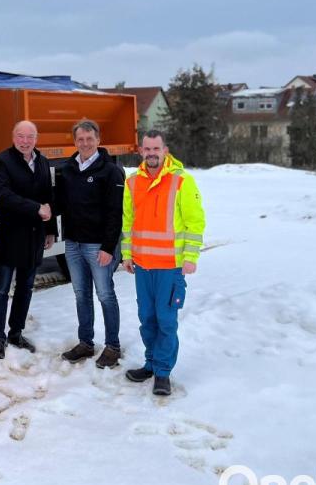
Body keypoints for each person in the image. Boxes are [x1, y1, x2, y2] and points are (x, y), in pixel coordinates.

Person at [122, 130, 205, 396]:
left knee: (166, 320)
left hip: (170, 267)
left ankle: (163, 373)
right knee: (147, 319)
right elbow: (128, 222)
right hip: (143, 267)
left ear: (165, 151)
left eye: (156, 149)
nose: (151, 154)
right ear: (141, 151)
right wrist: (127, 254)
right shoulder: (132, 182)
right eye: (147, 149)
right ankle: (150, 363)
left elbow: (195, 222)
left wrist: (190, 257)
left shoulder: (182, 181)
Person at [56, 119, 126, 368]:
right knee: (81, 295)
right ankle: (85, 343)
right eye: (80, 139)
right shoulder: (68, 169)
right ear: (75, 141)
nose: (85, 143)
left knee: (105, 295)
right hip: (73, 244)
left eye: (89, 139)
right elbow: (60, 204)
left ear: (98, 140)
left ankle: (113, 346)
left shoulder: (111, 171)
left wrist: (108, 247)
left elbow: (116, 213)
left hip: (98, 246)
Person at [0, 120, 57, 359]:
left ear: (36, 139)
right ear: (13, 137)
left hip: (34, 235)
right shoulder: (2, 161)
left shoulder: (43, 161)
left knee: (26, 287)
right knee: (1, 289)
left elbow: (48, 197)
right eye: (21, 136)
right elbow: (3, 196)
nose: (25, 141)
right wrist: (36, 208)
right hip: (9, 236)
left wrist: (50, 230)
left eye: (30, 137)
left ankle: (16, 333)